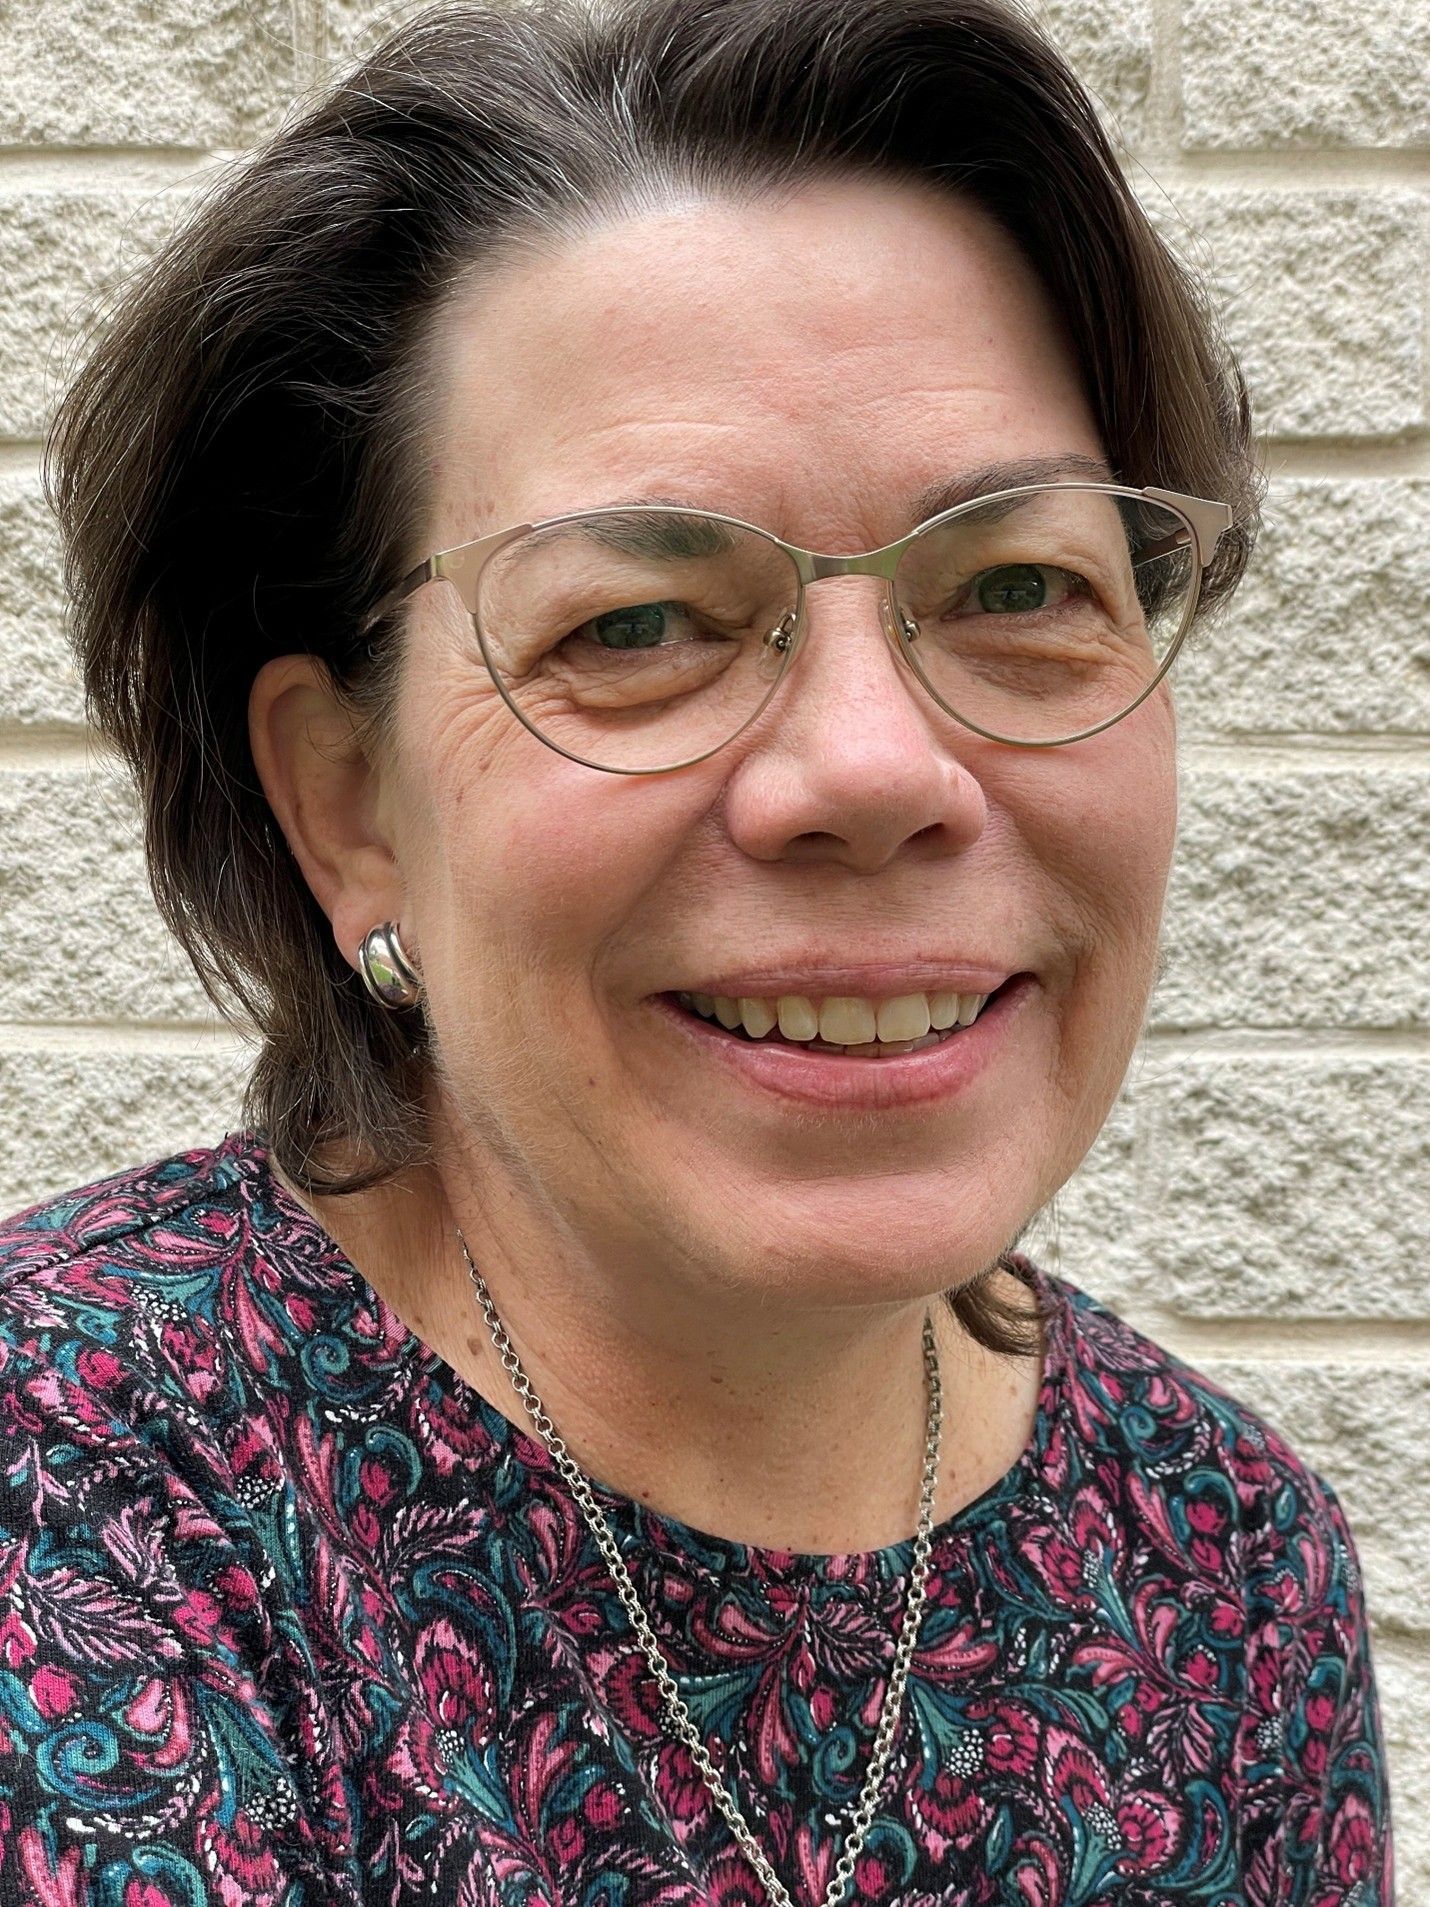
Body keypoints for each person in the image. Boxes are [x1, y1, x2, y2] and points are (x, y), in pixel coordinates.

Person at [0, 0, 1391, 1900]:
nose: (874, 772)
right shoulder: (76, 1502)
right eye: (638, 625)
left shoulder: (1230, 1568)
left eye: (1018, 587)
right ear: (348, 803)